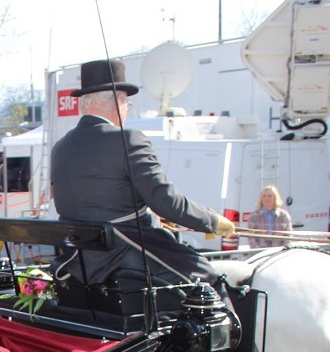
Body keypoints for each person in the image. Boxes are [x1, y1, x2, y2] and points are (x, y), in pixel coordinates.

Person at [50, 58, 236, 292]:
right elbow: (166, 201)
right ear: (119, 100)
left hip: (77, 259)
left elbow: (97, 202)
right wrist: (213, 221)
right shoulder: (128, 139)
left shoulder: (60, 147)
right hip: (124, 253)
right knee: (210, 279)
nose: (127, 110)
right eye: (127, 103)